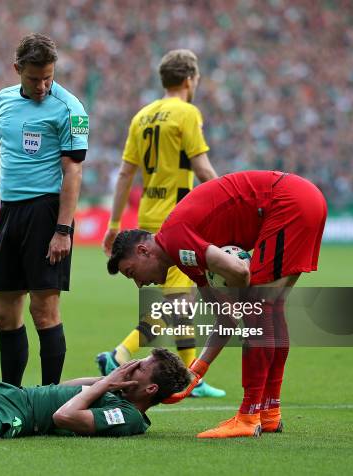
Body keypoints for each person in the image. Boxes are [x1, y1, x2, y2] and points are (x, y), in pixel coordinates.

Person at [106, 170, 327, 438]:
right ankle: (269, 412)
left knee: (259, 310)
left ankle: (248, 416)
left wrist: (246, 295)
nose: (139, 284)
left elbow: (240, 272)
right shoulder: (186, 259)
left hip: (287, 202)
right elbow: (227, 318)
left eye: (132, 273)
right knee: (270, 310)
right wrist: (195, 373)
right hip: (300, 199)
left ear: (143, 251)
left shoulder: (175, 238)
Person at [96, 49, 223, 398]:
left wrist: (114, 222)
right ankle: (120, 353)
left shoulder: (142, 116)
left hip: (150, 216)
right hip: (180, 218)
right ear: (188, 80)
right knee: (178, 302)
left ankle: (191, 378)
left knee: (178, 301)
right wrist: (228, 199)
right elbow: (202, 168)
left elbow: (125, 173)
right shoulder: (186, 112)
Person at [0, 317, 190, 447]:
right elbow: (64, 390)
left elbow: (63, 416)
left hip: (17, 418)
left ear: (150, 389)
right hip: (2, 392)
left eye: (140, 368)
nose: (131, 367)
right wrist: (107, 380)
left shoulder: (129, 416)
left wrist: (102, 386)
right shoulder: (115, 389)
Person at [0, 34, 88, 387]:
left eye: (48, 78)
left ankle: (50, 395)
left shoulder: (70, 108)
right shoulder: (3, 101)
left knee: (44, 309)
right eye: (34, 78)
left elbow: (73, 171)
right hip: (11, 212)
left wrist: (62, 230)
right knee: (4, 312)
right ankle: (11, 393)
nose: (42, 86)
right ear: (17, 69)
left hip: (47, 211)